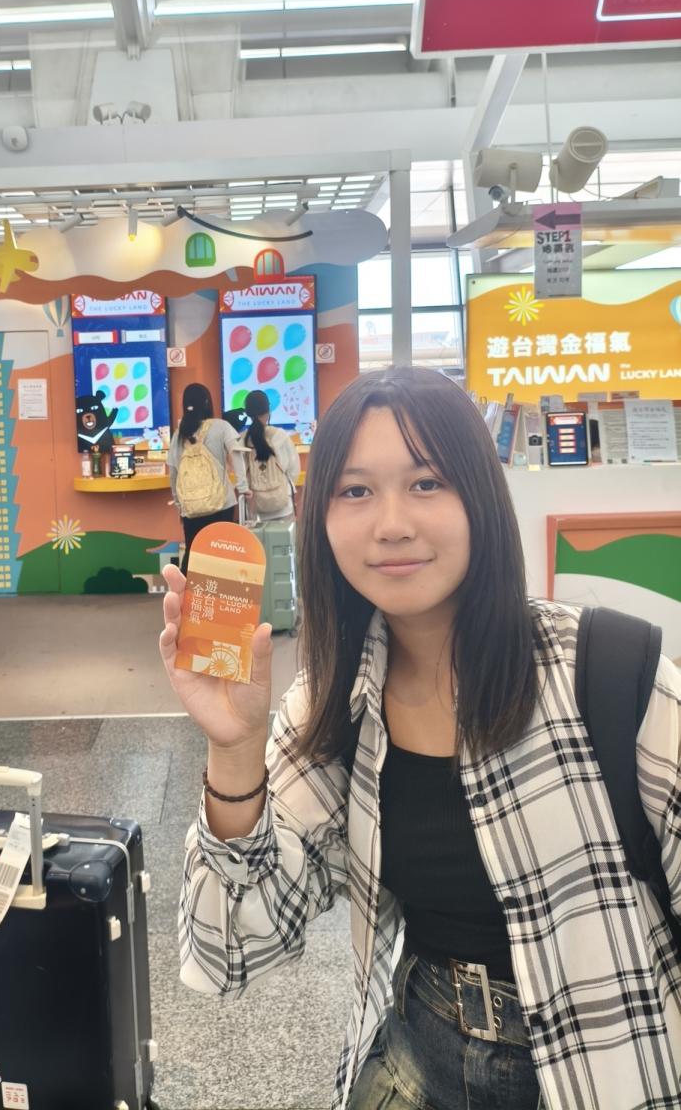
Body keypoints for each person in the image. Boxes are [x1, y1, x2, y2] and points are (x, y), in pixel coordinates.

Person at [158, 367, 681, 1110]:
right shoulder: (333, 704)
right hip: (417, 1066)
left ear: (479, 498)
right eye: (355, 491)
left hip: (615, 1071)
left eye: (426, 483)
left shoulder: (608, 672)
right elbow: (230, 950)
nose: (392, 524)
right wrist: (234, 749)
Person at [167, 383, 249, 573]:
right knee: (223, 555)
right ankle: (222, 591)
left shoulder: (179, 435)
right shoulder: (221, 427)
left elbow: (174, 473)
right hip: (222, 504)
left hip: (191, 508)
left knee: (194, 554)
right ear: (207, 402)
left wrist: (180, 505)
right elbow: (237, 454)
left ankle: (189, 591)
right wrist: (243, 487)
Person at [241, 389, 300, 523]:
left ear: (248, 412)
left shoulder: (242, 440)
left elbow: (241, 473)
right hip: (283, 505)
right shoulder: (281, 435)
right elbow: (294, 470)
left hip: (255, 508)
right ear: (268, 411)